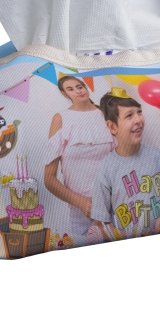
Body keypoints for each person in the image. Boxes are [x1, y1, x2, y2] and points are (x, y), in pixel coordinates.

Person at [90, 88, 160, 240]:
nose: (138, 120)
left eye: (139, 112)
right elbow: (101, 223)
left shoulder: (156, 156)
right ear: (112, 127)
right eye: (129, 115)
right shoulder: (106, 168)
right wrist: (126, 236)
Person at [44, 76, 116, 236]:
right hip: (81, 213)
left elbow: (122, 160)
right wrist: (81, 202)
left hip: (113, 205)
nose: (78, 91)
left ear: (86, 87)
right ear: (64, 94)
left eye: (79, 86)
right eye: (70, 89)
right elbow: (49, 179)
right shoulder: (60, 119)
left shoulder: (105, 114)